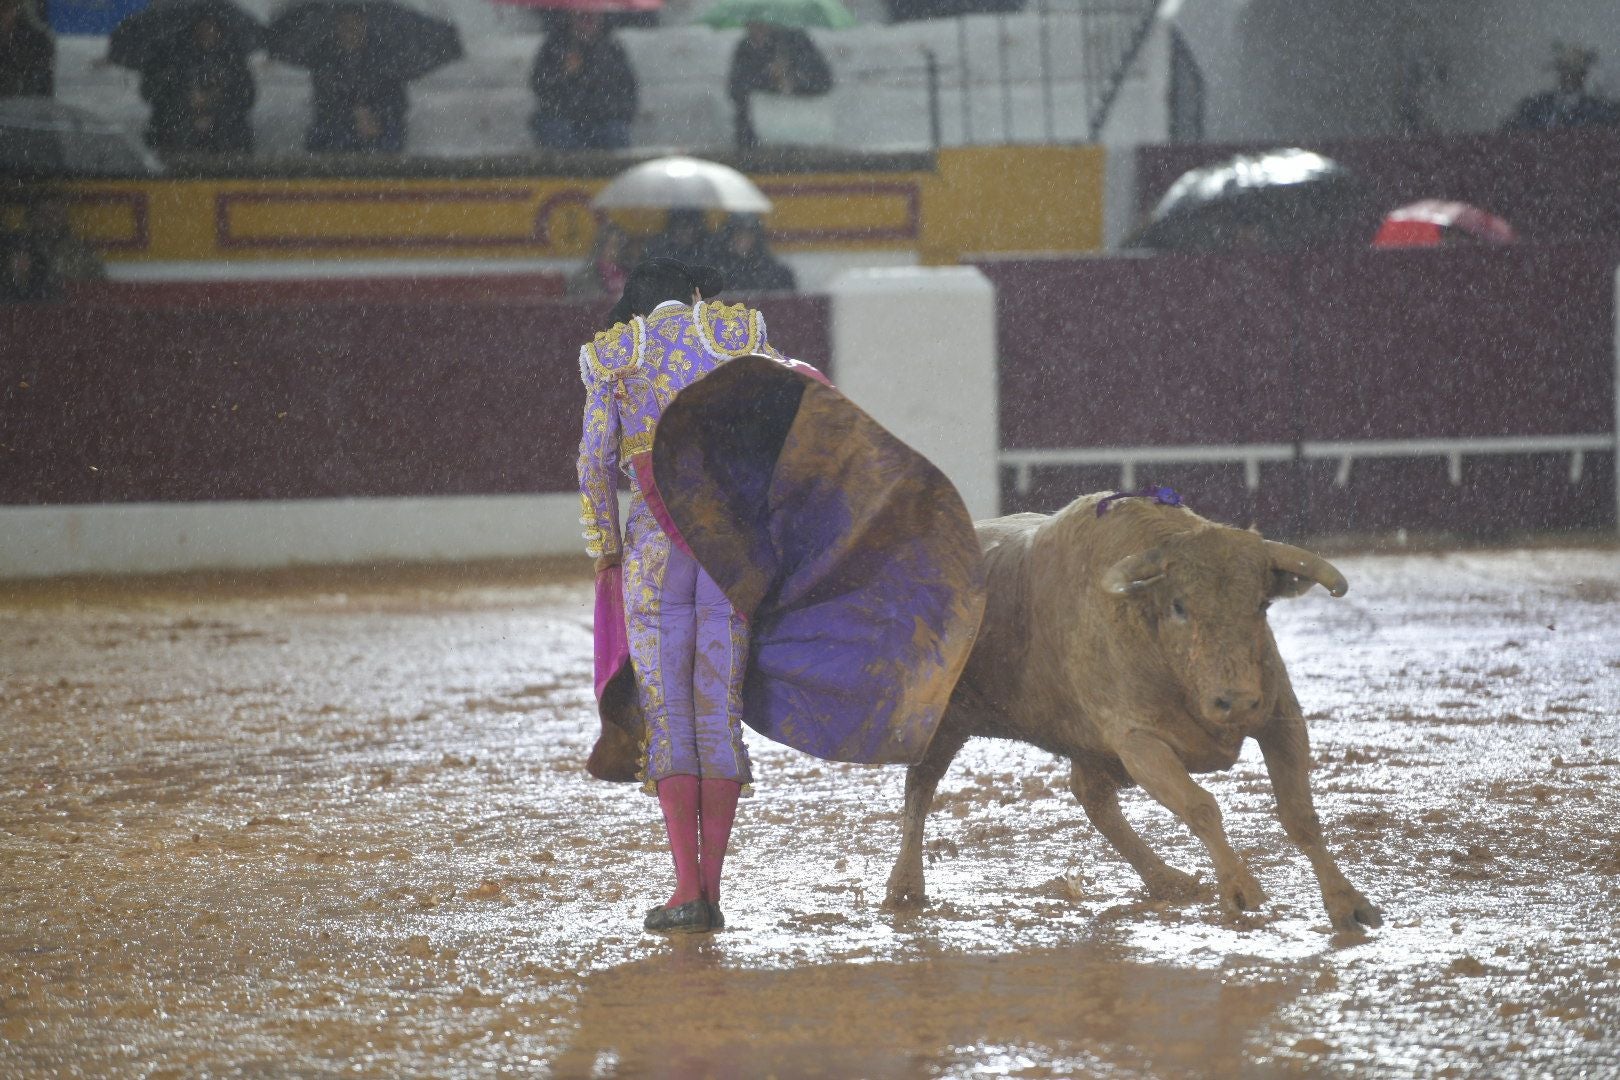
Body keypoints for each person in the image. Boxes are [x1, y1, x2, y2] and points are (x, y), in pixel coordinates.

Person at [577, 258, 816, 934]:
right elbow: (794, 419)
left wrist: (606, 551)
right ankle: (712, 889)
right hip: (727, 551)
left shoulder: (615, 356)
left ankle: (686, 889)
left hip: (656, 556)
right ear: (695, 295)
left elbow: (594, 464)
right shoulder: (739, 338)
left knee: (670, 717)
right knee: (717, 717)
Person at [139, 13, 256, 155]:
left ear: (220, 31)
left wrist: (218, 97)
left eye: (211, 28)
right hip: (178, 124)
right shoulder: (171, 56)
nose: (207, 33)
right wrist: (185, 99)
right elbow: (151, 91)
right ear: (193, 30)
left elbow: (247, 95)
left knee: (233, 129)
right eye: (202, 28)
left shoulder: (231, 58)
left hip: (224, 126)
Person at [528, 12, 638, 151]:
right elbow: (541, 88)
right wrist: (563, 74)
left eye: (592, 17)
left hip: (602, 120)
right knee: (556, 132)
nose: (586, 23)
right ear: (570, 18)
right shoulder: (553, 47)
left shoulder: (613, 49)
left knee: (616, 133)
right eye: (581, 17)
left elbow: (626, 90)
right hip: (563, 119)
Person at [305, 8, 408, 153]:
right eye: (344, 23)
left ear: (365, 25)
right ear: (337, 27)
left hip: (378, 124)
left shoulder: (383, 58)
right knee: (324, 137)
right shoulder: (326, 58)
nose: (351, 29)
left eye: (356, 22)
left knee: (390, 137)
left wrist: (374, 115)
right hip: (338, 126)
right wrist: (353, 115)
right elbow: (324, 101)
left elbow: (398, 100)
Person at [726, 23, 831, 148]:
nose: (757, 30)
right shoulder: (744, 48)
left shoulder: (796, 42)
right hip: (753, 141)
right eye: (752, 25)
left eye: (761, 25)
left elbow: (823, 81)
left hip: (800, 135)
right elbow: (735, 89)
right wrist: (767, 78)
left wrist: (793, 79)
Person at [1503, 43, 1620, 131]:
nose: (1569, 76)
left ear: (1583, 75)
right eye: (1566, 69)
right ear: (1559, 72)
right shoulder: (1535, 107)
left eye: (1575, 71)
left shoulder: (1600, 110)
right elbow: (1511, 130)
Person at [712, 215, 794, 292]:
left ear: (756, 238)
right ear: (729, 237)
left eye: (748, 235)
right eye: (738, 234)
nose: (742, 240)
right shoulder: (717, 272)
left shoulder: (775, 273)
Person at [565, 221, 635, 299]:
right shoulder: (586, 277)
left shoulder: (629, 272)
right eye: (610, 244)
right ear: (601, 245)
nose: (613, 249)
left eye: (617, 244)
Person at [0, 0, 53, 99]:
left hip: (25, 106)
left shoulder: (38, 41)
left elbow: (42, 89)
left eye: (6, 8)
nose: (3, 15)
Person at [640, 208, 715, 265]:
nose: (681, 231)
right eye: (678, 226)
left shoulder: (706, 251)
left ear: (696, 229)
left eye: (686, 226)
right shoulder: (660, 250)